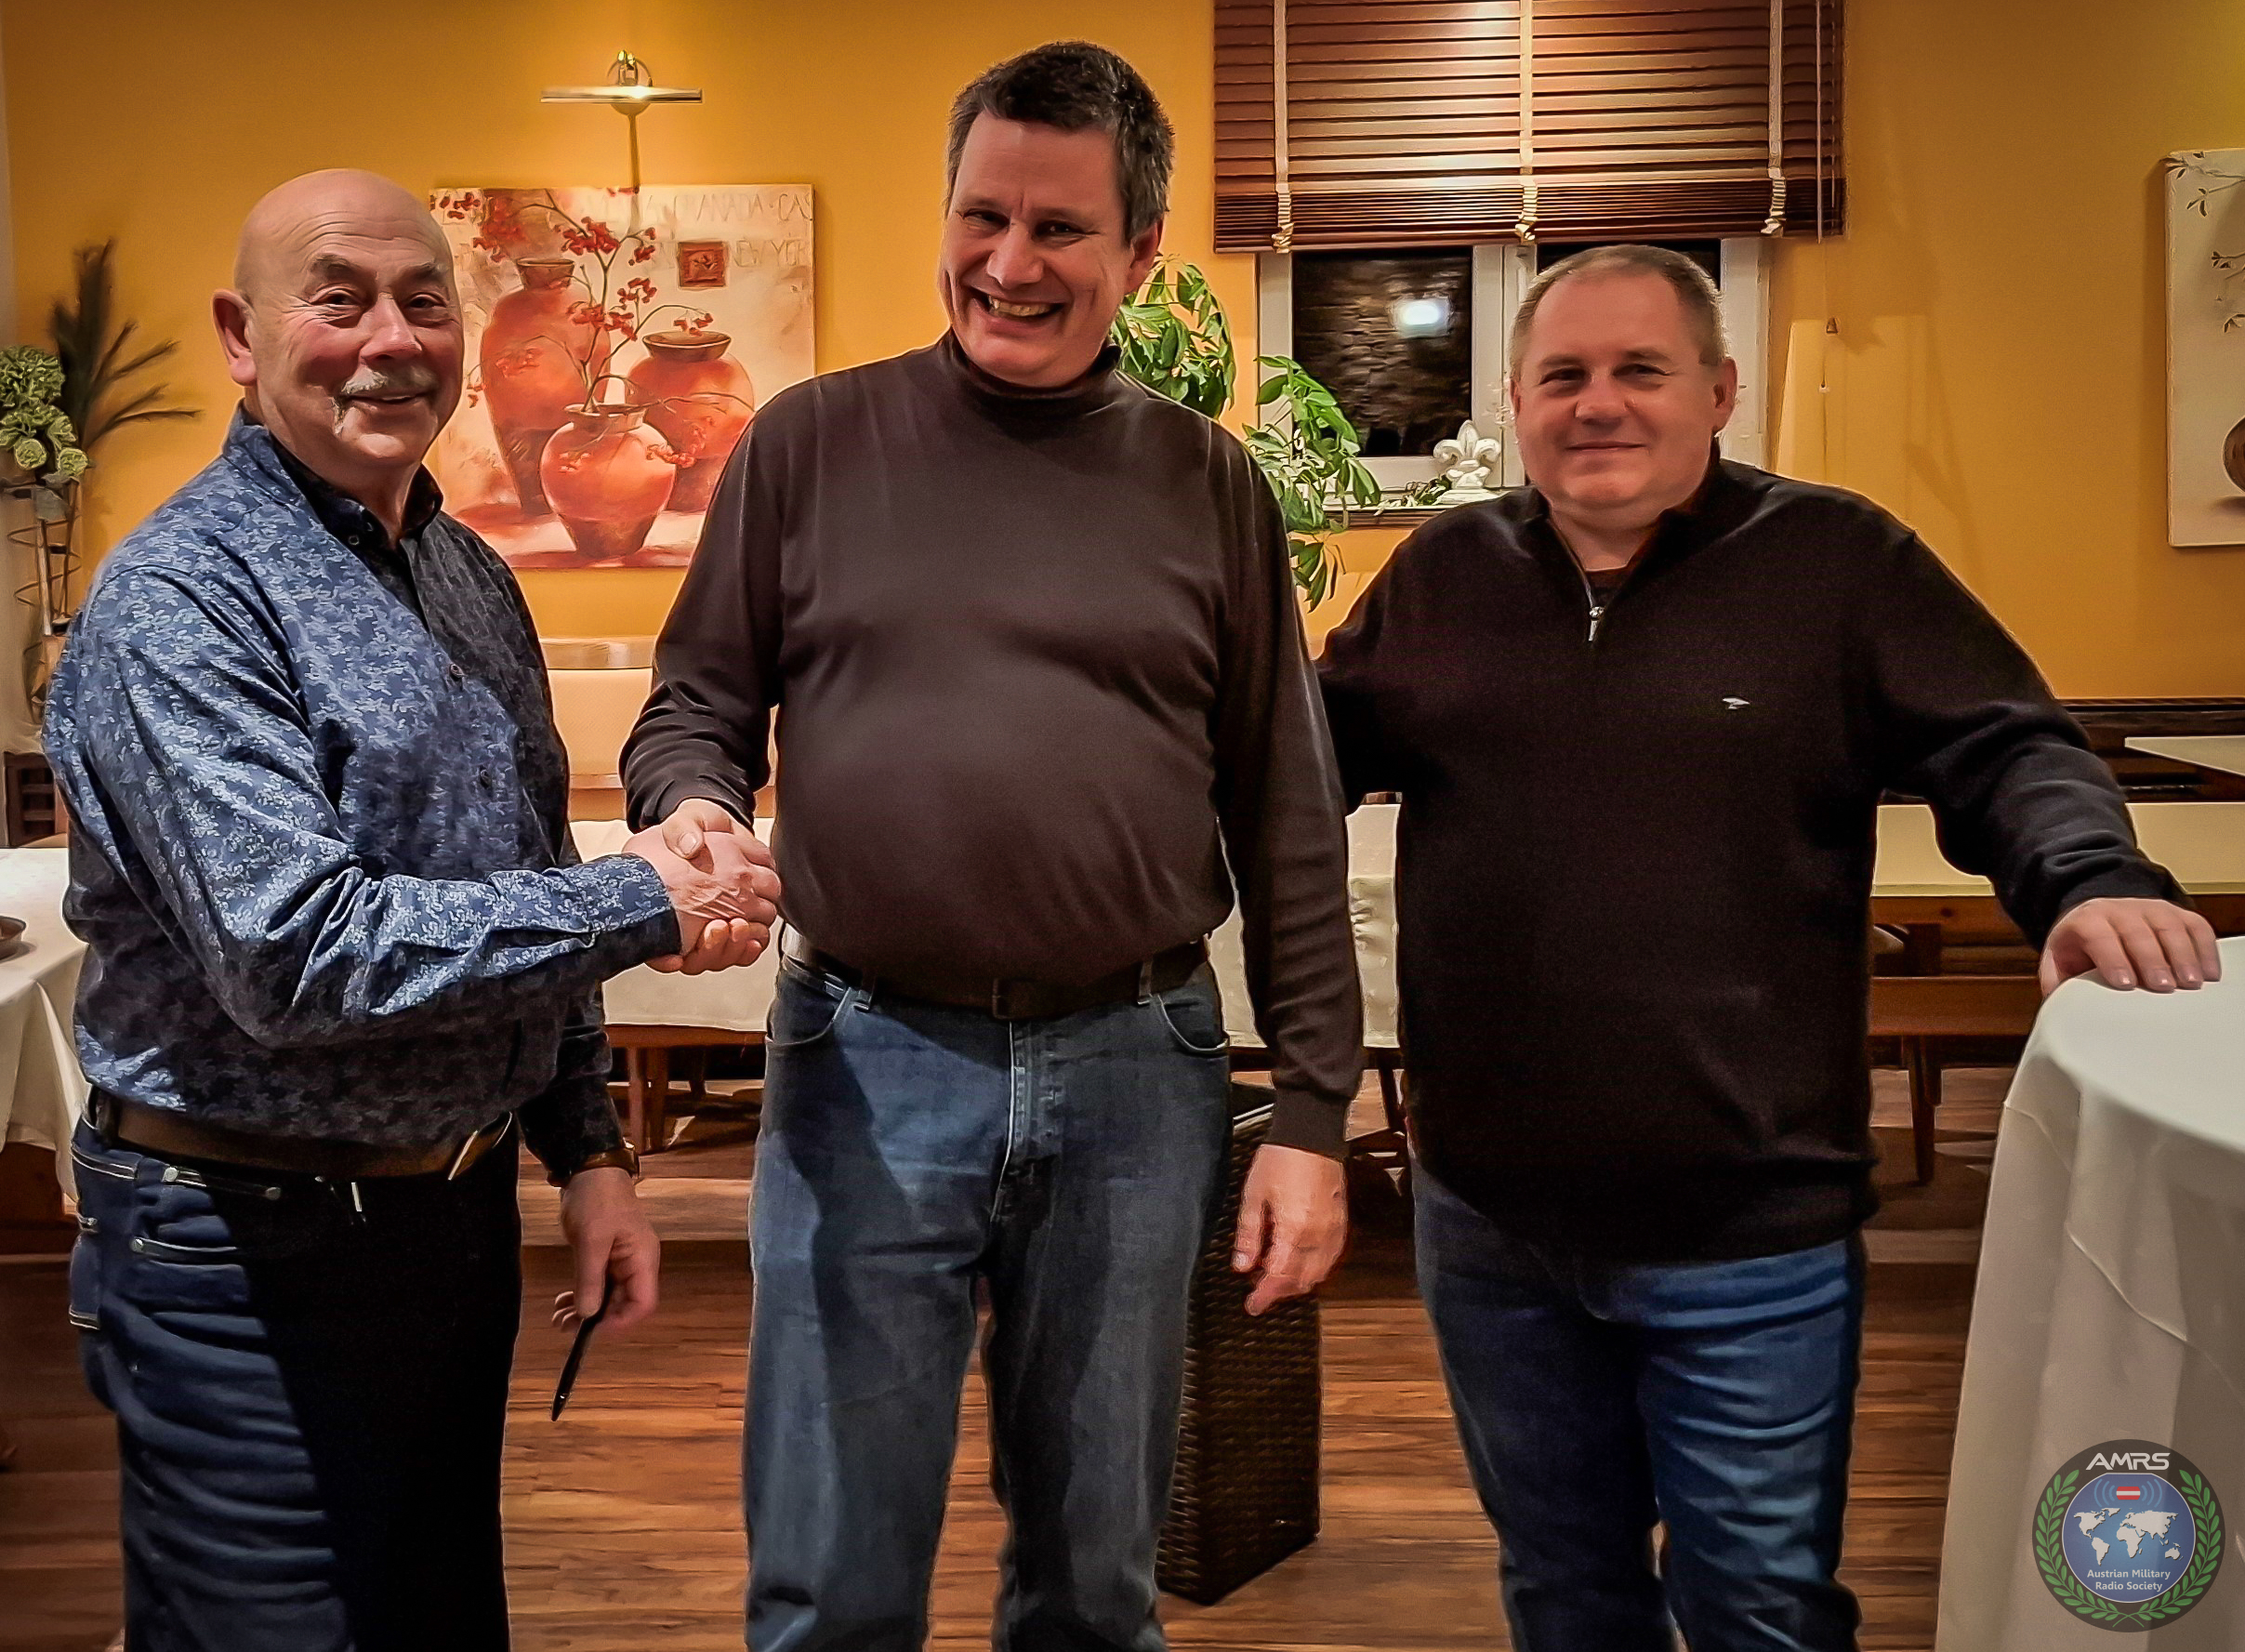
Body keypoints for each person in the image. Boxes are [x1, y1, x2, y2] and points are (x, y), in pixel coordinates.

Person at [1317, 244, 2220, 1652]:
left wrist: (2089, 877)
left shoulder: (1839, 562)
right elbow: (1297, 761)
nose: (1598, 403)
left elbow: (2009, 746)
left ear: (1720, 390)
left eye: (1640, 369)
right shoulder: (1440, 574)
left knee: (1761, 1608)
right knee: (1561, 1590)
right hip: (1492, 1222)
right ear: (1515, 400)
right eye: (1562, 374)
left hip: (1751, 1236)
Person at [621, 41, 1363, 1652]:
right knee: (830, 1577)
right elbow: (694, 703)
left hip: (1138, 1066)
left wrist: (1314, 1106)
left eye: (1060, 229)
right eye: (983, 216)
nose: (1009, 263)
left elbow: (1289, 815)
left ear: (1140, 252)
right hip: (864, 1056)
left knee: (1095, 1580)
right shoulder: (807, 444)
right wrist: (693, 805)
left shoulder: (1210, 485)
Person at [45, 168, 778, 1652]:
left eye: (423, 300)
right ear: (242, 335)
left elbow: (522, 872)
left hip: (450, 1228)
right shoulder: (180, 597)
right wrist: (643, 893)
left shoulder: (466, 575)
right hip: (236, 1252)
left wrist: (589, 1149)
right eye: (340, 299)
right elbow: (295, 953)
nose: (390, 339)